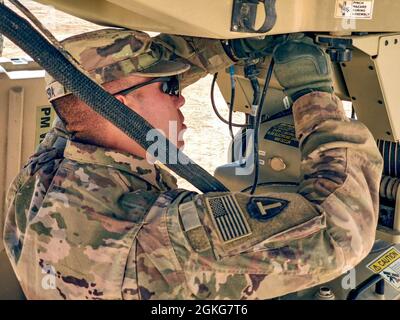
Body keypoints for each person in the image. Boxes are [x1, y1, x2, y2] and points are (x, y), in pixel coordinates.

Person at [3, 29, 383, 300]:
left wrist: (235, 44)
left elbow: (93, 89)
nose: (181, 99)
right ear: (119, 107)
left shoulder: (44, 172)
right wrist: (311, 93)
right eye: (170, 88)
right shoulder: (151, 236)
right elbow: (340, 232)